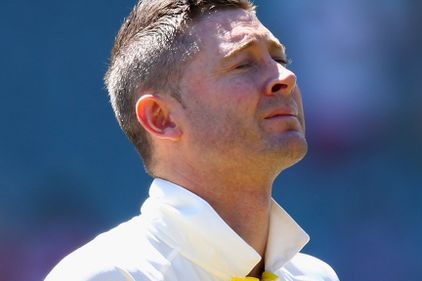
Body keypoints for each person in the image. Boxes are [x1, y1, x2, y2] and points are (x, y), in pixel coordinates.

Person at [45, 0, 339, 280]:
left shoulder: (316, 276)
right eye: (243, 64)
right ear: (161, 117)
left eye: (279, 58)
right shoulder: (106, 275)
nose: (286, 76)